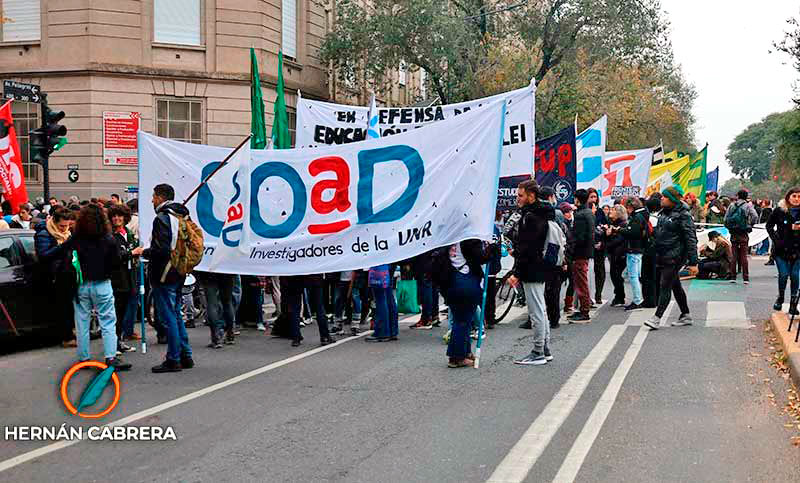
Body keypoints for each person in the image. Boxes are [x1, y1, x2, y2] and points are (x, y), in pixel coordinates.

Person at [131, 183, 194, 373]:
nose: (151, 200)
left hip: (165, 273)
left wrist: (144, 251)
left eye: (153, 196)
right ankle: (186, 355)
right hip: (179, 270)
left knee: (169, 317)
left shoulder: (162, 218)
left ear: (160, 197)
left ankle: (173, 358)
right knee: (175, 314)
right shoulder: (181, 215)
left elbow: (162, 250)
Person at [68, 204, 131, 370]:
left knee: (82, 322)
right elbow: (116, 261)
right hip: (102, 283)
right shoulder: (108, 239)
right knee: (108, 321)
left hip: (81, 284)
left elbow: (68, 258)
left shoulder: (76, 238)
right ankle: (110, 357)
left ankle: (84, 358)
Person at [508, 180, 557, 365]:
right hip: (539, 267)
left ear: (531, 195)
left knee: (536, 311)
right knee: (540, 309)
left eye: (520, 195)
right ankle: (544, 349)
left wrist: (517, 272)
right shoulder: (540, 213)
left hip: (533, 268)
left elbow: (528, 248)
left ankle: (538, 352)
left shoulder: (532, 216)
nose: (517, 199)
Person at [644, 186, 698, 330]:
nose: (661, 198)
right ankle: (685, 314)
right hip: (663, 254)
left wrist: (693, 262)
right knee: (675, 285)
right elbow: (661, 233)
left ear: (672, 199)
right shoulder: (663, 213)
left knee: (665, 285)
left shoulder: (684, 215)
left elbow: (691, 238)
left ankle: (656, 318)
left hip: (675, 256)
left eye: (665, 196)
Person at [34, 207, 77, 348]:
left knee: (69, 305)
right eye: (62, 226)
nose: (65, 229)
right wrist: (64, 246)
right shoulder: (44, 234)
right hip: (54, 275)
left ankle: (70, 332)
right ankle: (66, 336)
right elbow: (44, 255)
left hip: (67, 272)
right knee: (62, 307)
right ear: (54, 221)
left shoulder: (67, 233)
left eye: (67, 225)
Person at [108, 204, 137, 354]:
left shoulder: (128, 233)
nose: (117, 219)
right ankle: (114, 344)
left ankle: (120, 340)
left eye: (119, 216)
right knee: (116, 313)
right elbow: (115, 258)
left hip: (129, 277)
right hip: (117, 280)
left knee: (124, 312)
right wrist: (132, 253)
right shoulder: (111, 236)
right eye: (114, 216)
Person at [766, 188, 800, 314]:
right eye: (794, 196)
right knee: (784, 274)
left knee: (795, 276)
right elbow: (769, 225)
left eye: (799, 197)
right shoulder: (779, 210)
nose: (796, 199)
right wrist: (776, 239)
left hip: (797, 250)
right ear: (788, 197)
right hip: (781, 250)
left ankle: (793, 304)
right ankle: (780, 298)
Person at [568, 189, 594, 322]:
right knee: (581, 281)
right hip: (585, 252)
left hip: (580, 253)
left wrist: (571, 250)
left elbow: (579, 237)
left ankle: (584, 310)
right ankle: (583, 309)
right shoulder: (589, 212)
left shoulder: (580, 215)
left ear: (577, 199)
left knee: (581, 282)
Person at [620, 197, 649, 310]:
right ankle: (639, 299)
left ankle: (637, 300)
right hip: (639, 249)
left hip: (633, 249)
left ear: (630, 207)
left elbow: (632, 232)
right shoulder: (642, 215)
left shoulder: (637, 217)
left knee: (633, 276)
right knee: (635, 275)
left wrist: (619, 230)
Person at [724, 189, 759, 284]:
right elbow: (755, 216)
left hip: (734, 232)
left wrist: (730, 227)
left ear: (738, 196)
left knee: (734, 254)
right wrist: (750, 225)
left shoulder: (732, 205)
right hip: (743, 232)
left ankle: (733, 276)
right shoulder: (748, 206)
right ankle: (745, 278)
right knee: (744, 255)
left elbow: (725, 219)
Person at [197, 272, 237, 348]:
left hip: (209, 272)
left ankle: (216, 339)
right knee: (227, 302)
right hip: (227, 271)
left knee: (212, 304)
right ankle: (230, 335)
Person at [603, 205, 628, 307]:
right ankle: (618, 296)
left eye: (613, 210)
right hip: (613, 253)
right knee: (614, 275)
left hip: (620, 254)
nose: (610, 211)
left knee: (616, 275)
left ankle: (620, 297)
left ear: (619, 213)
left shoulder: (622, 224)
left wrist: (605, 244)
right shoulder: (612, 223)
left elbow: (619, 240)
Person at [365, 264, 397, 343]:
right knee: (388, 296)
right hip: (391, 262)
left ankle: (382, 332)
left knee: (380, 297)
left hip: (380, 262)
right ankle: (392, 331)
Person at [588, 188, 606, 304]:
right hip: (589, 246)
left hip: (600, 245)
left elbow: (605, 225)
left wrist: (601, 241)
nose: (594, 199)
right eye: (591, 197)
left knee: (600, 271)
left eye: (595, 197)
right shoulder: (586, 211)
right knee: (588, 272)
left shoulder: (600, 211)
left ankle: (598, 294)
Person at [559, 202, 576, 314]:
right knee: (559, 281)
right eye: (566, 212)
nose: (569, 214)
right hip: (564, 257)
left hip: (570, 256)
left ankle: (568, 303)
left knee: (572, 281)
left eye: (570, 211)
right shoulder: (561, 225)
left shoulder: (571, 223)